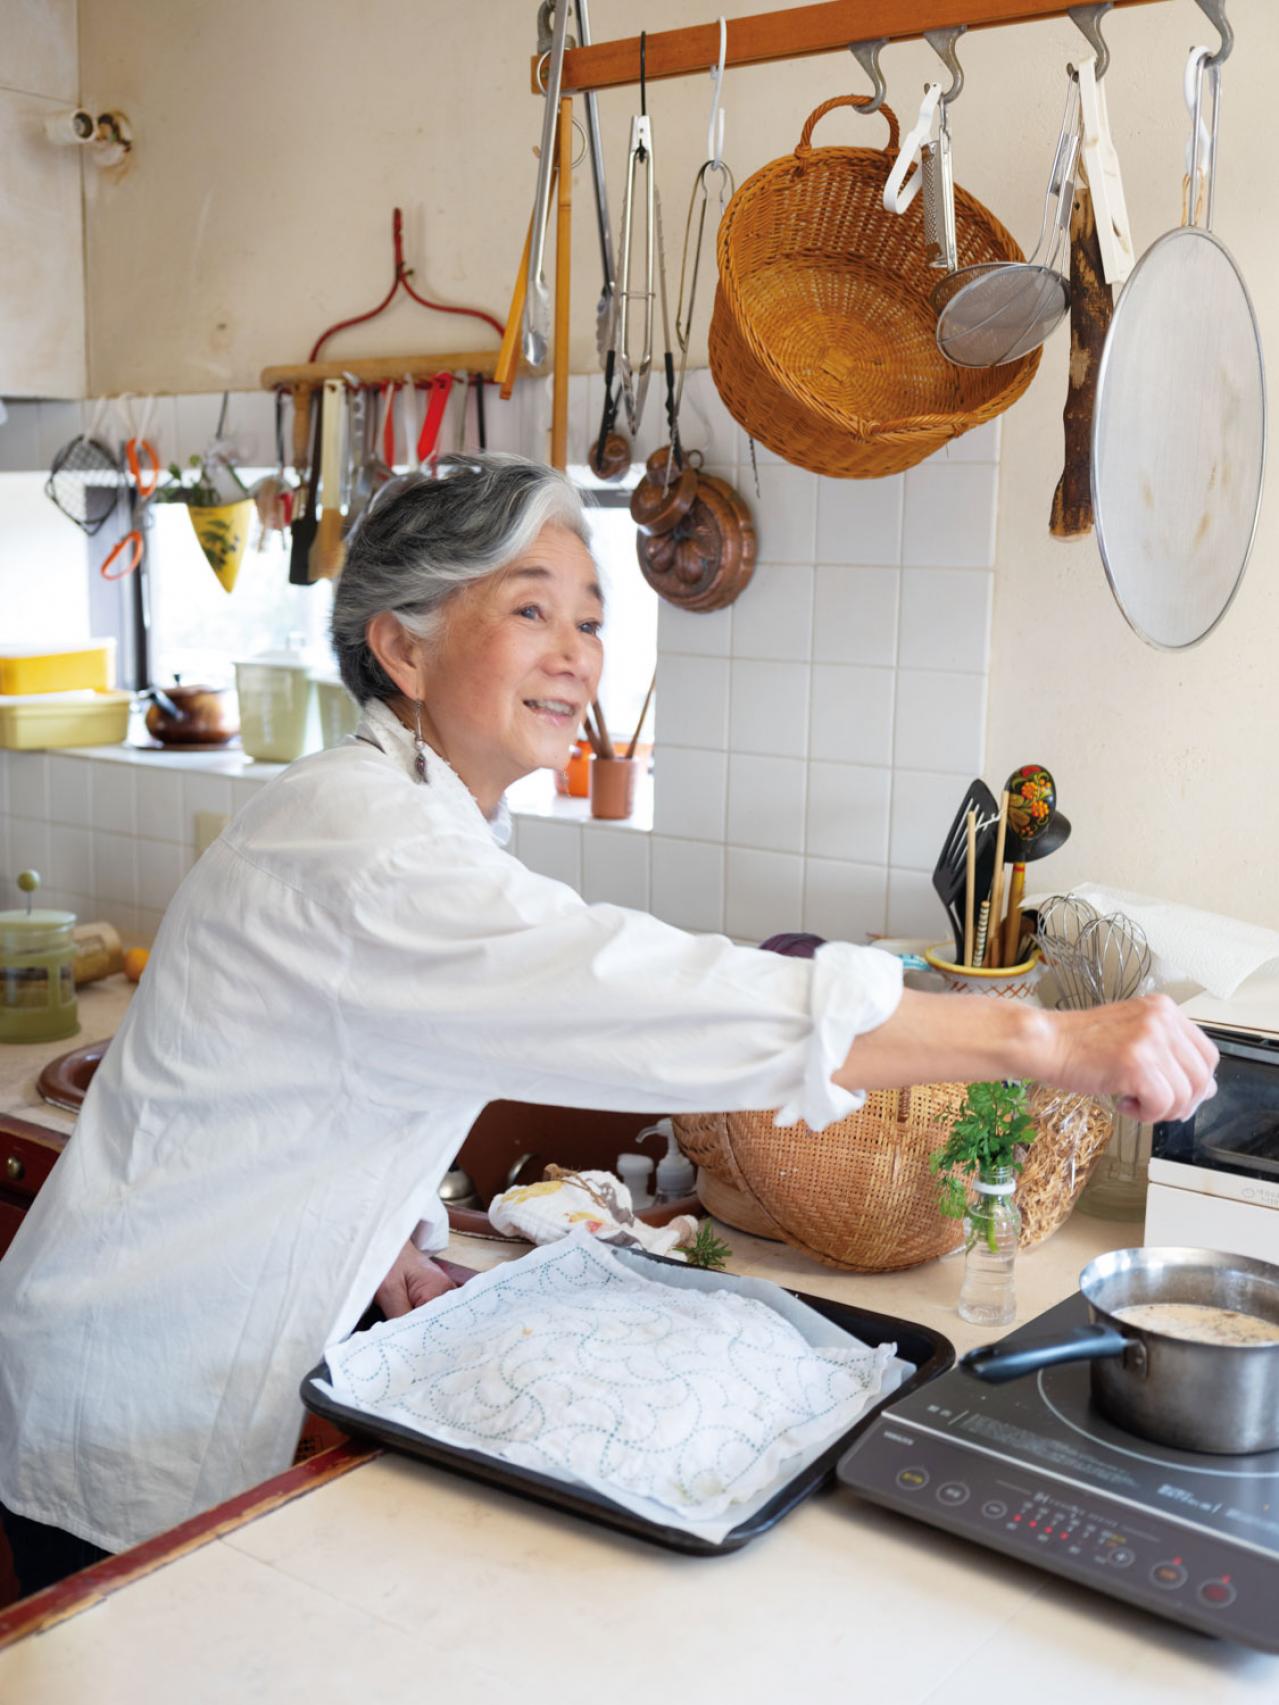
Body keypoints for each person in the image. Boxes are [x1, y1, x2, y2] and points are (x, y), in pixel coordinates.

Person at [0, 454, 1216, 1594]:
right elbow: (642, 988)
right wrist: (1042, 1043)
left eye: (589, 619)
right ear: (401, 650)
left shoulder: (393, 816)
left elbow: (305, 1079)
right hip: (131, 1403)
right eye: (531, 611)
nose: (577, 655)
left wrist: (377, 1234)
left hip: (165, 1368)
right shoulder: (372, 847)